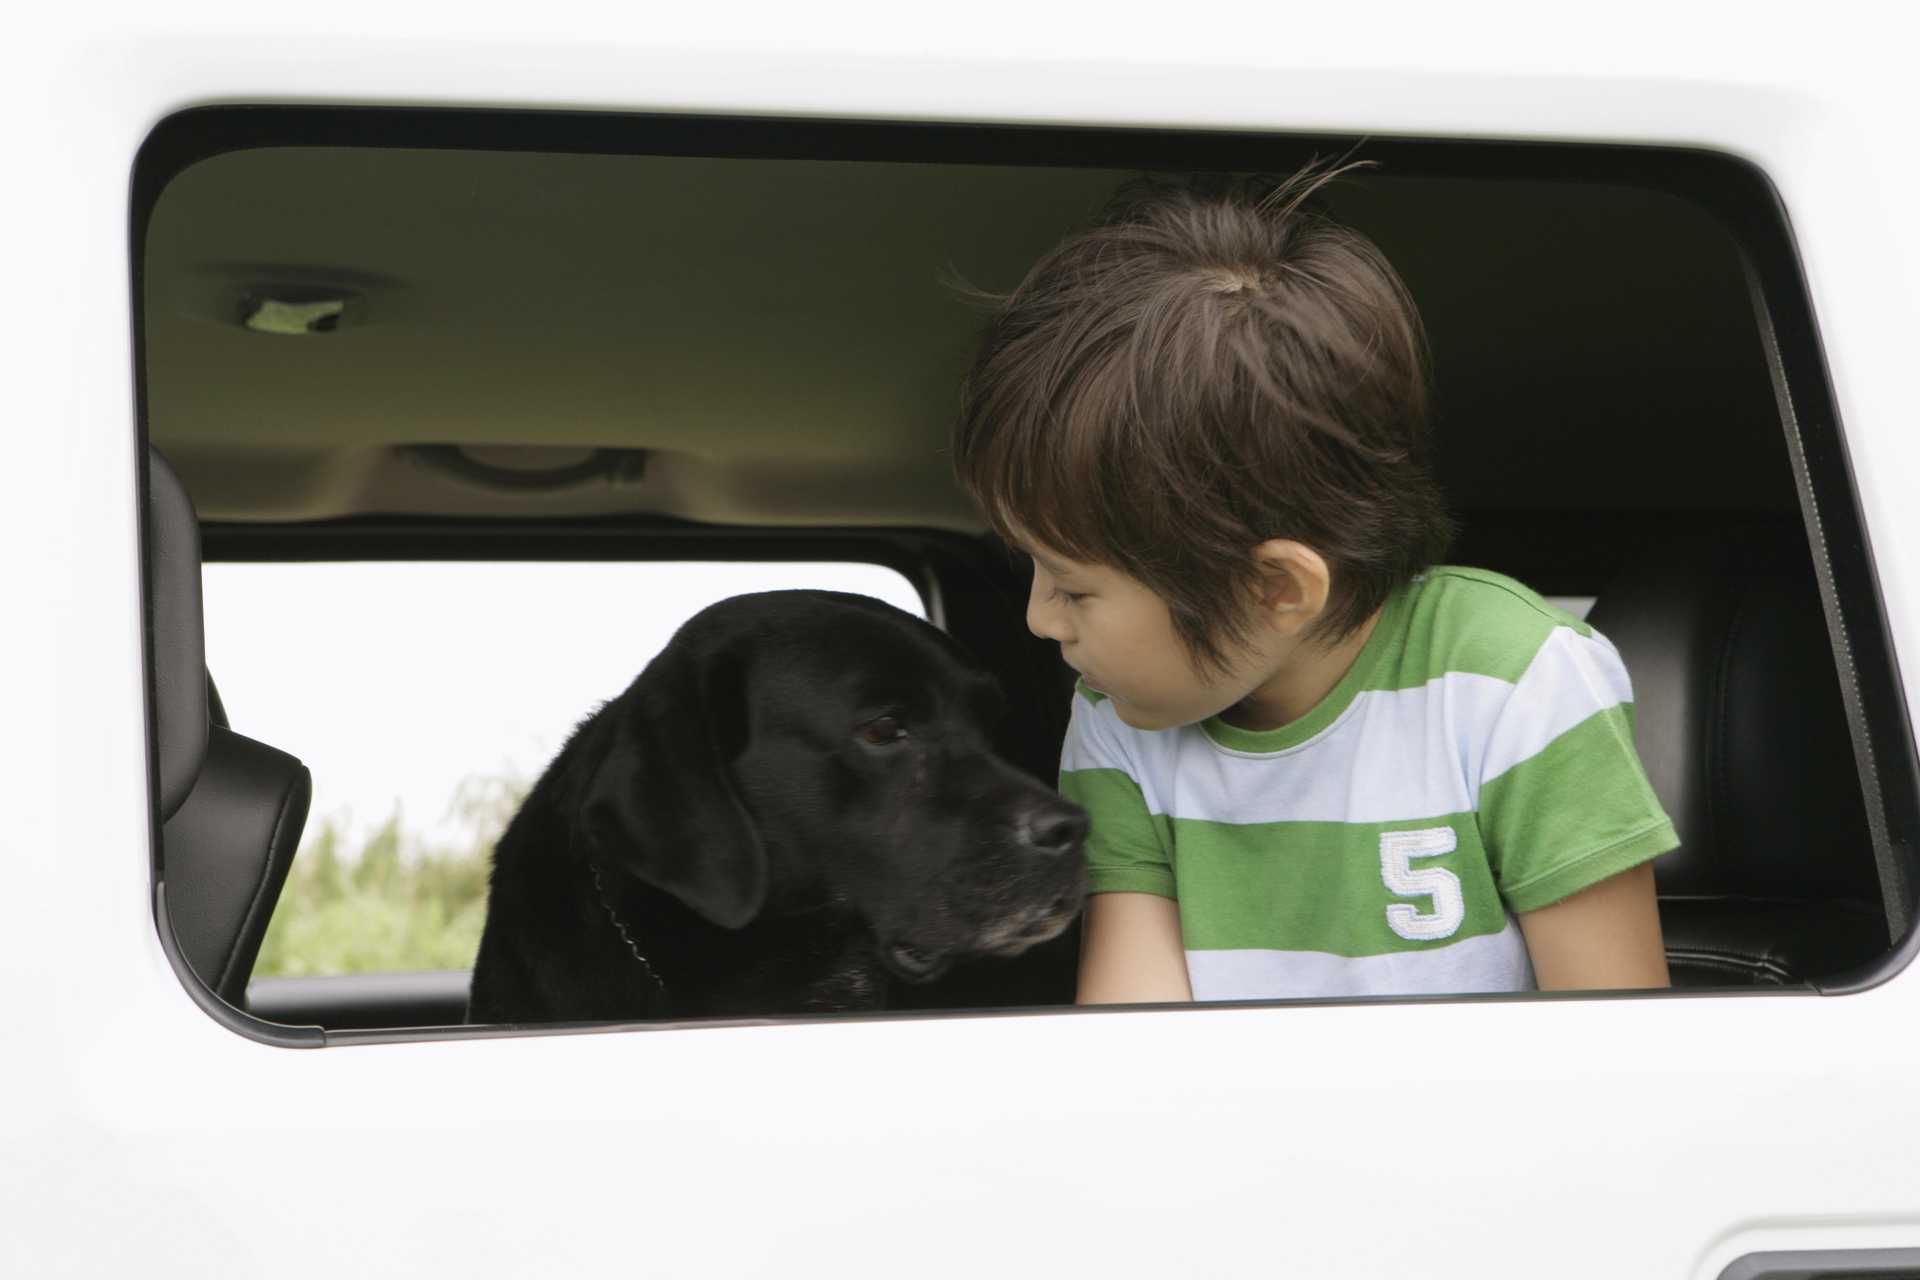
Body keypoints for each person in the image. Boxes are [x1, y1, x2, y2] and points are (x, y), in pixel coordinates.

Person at [951, 164, 1675, 1003]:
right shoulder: (1120, 716)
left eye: (1075, 590)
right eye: (1032, 570)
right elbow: (1139, 1041)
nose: (1040, 620)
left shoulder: (1514, 679)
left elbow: (1611, 1041)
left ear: (1274, 591)